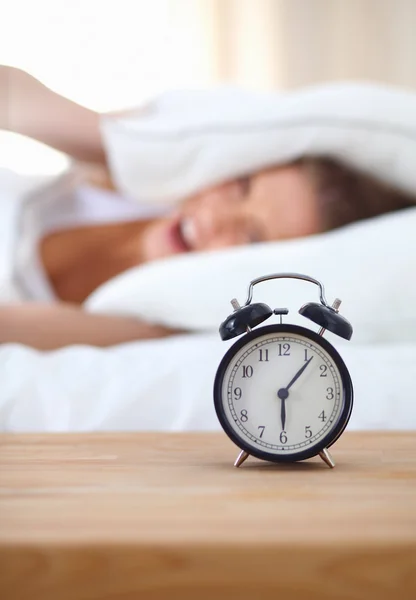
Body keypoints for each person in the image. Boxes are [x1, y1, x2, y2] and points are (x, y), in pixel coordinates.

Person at [0, 65, 414, 349]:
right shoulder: (110, 177)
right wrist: (117, 142)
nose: (215, 219)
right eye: (240, 185)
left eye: (252, 239)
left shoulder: (146, 324)